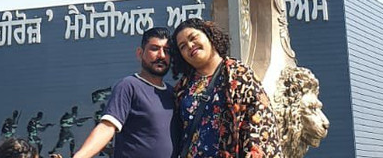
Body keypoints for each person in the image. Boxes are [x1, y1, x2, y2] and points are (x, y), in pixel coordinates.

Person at [171, 18, 280, 158]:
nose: (190, 45)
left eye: (193, 38)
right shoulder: (183, 88)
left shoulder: (239, 75)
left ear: (208, 35)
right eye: (183, 46)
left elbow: (260, 124)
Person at [72, 26, 176, 158]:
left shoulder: (174, 94)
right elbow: (107, 127)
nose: (161, 55)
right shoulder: (129, 86)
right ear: (140, 53)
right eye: (154, 49)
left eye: (166, 51)